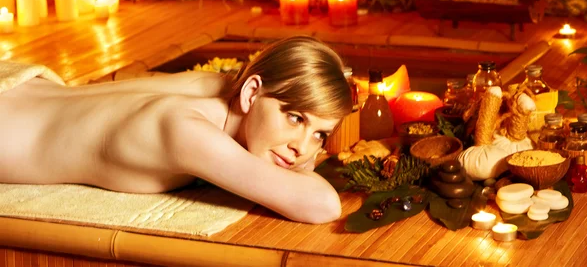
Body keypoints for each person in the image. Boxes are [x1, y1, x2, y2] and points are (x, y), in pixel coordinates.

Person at [0, 36, 352, 224]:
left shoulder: (213, 84)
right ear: (251, 92)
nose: (303, 148)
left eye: (320, 135)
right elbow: (322, 205)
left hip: (22, 88)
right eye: (295, 118)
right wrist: (307, 166)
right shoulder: (187, 131)